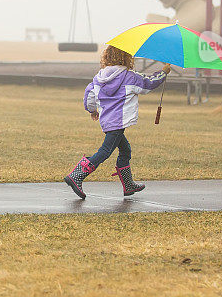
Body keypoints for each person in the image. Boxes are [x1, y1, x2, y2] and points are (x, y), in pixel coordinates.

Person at [64, 46, 170, 199]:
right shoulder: (129, 77)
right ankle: (77, 175)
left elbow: (89, 95)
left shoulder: (99, 77)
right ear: (126, 58)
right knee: (105, 152)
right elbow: (148, 84)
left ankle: (128, 185)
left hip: (107, 120)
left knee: (125, 149)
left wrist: (92, 111)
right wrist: (163, 72)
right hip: (118, 122)